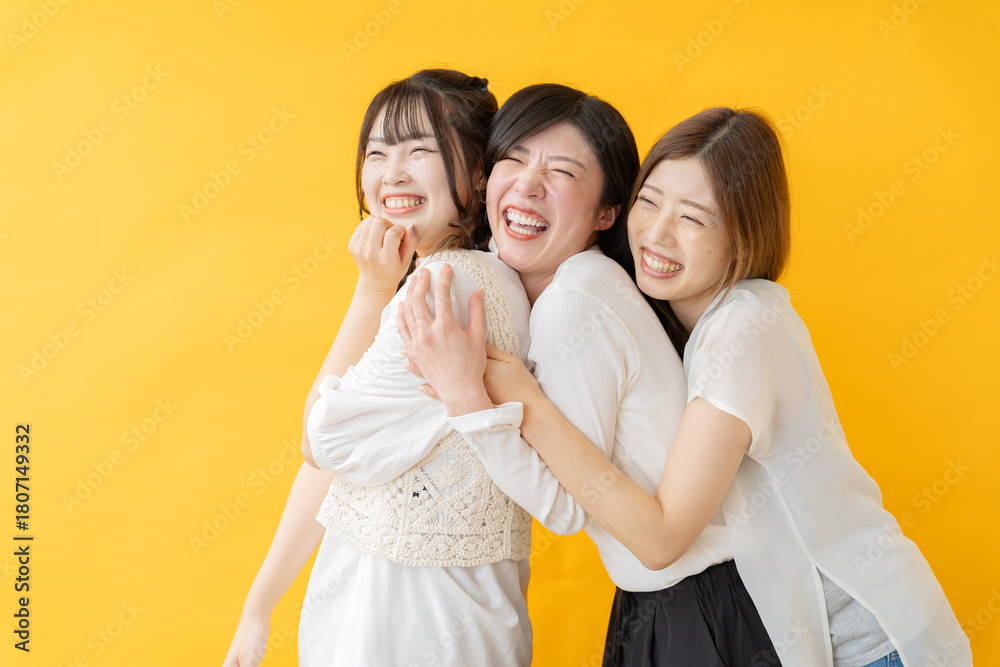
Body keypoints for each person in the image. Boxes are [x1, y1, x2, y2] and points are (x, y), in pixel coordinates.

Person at [401, 107, 973, 666]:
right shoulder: (682, 318)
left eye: (694, 219)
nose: (657, 234)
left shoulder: (741, 332)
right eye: (650, 202)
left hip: (872, 641)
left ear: (742, 237)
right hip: (798, 628)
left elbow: (662, 539)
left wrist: (512, 399)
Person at [399, 89, 779, 665]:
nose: (529, 184)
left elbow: (564, 508)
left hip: (697, 605)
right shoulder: (568, 286)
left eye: (563, 172)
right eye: (513, 159)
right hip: (678, 598)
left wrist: (466, 398)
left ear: (608, 214)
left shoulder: (574, 300)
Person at [221, 68, 535, 667]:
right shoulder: (458, 277)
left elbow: (320, 439)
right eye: (377, 152)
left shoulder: (443, 288)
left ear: (479, 173)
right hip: (405, 614)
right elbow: (338, 467)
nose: (392, 173)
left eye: (420, 150)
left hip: (413, 622)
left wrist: (370, 289)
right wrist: (258, 607)